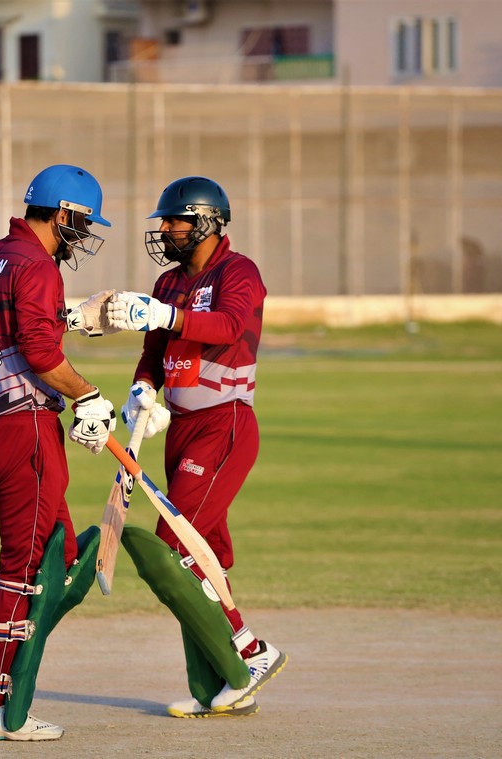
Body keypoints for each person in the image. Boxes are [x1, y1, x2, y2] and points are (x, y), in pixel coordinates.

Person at [0, 164, 116, 742]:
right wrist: (88, 395)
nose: (82, 236)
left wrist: (73, 317)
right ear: (62, 214)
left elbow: (23, 327)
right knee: (23, 567)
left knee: (59, 558)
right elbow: (39, 352)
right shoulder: (38, 265)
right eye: (82, 223)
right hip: (26, 427)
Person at [101, 176, 288, 718]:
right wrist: (142, 389)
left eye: (175, 220)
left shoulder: (238, 271)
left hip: (223, 423)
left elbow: (227, 326)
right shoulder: (167, 281)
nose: (164, 229)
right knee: (206, 554)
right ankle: (219, 685)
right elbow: (153, 351)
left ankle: (250, 651)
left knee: (175, 545)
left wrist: (168, 316)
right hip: (180, 427)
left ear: (206, 221)